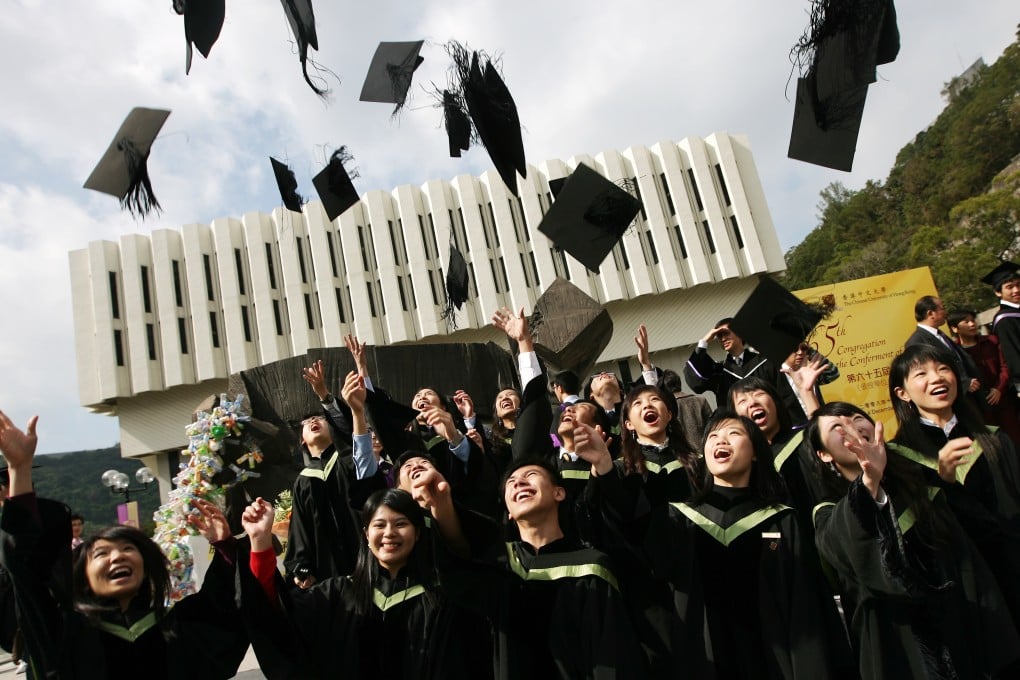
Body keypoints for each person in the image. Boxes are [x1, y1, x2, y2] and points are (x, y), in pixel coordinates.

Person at [588, 410, 854, 679]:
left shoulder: (781, 520)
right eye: (713, 436)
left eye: (734, 434)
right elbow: (632, 537)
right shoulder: (679, 520)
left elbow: (807, 607)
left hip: (776, 664)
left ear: (755, 453)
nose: (720, 441)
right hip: (705, 664)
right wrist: (605, 467)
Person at [0, 409, 250, 679]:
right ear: (82, 574)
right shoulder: (65, 632)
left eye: (128, 549)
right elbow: (29, 573)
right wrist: (19, 469)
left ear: (147, 564)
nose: (117, 556)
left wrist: (223, 545)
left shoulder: (177, 627)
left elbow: (223, 609)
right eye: (102, 553)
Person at [807, 401, 1020, 678]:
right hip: (902, 644)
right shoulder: (828, 512)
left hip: (961, 622)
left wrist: (946, 480)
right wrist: (869, 479)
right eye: (837, 426)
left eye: (857, 417)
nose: (851, 425)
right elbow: (850, 555)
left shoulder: (919, 480)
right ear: (824, 455)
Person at [241, 487, 486, 679]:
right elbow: (273, 611)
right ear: (367, 535)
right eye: (379, 525)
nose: (389, 533)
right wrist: (260, 540)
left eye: (401, 524)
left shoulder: (439, 599)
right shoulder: (336, 594)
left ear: (418, 533)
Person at [435, 457, 647, 678]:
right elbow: (457, 570)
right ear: (508, 511)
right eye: (512, 482)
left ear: (559, 493)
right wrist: (442, 506)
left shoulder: (591, 567)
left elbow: (612, 657)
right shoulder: (500, 566)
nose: (519, 483)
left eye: (531, 475)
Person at [888, 344, 1020, 626]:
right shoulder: (899, 458)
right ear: (902, 393)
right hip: (962, 586)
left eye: (943, 369)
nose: (936, 378)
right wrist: (942, 480)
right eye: (921, 373)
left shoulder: (994, 440)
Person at [948, 308, 1020, 443]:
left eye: (973, 320)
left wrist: (999, 388)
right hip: (980, 407)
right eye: (966, 322)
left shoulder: (991, 341)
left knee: (1015, 438)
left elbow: (1005, 367)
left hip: (1004, 400)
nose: (972, 324)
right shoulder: (954, 352)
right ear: (954, 328)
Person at [904, 296, 982, 400]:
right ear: (930, 314)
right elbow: (928, 372)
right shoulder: (917, 342)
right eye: (942, 308)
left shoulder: (940, 334)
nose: (946, 312)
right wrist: (964, 383)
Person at [684, 318, 773, 407]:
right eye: (719, 336)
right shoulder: (718, 371)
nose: (723, 339)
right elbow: (696, 383)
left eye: (726, 333)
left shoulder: (764, 362)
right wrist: (704, 342)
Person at [778, 341, 840, 427]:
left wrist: (810, 351)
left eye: (803, 348)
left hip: (820, 423)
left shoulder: (809, 370)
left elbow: (833, 374)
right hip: (796, 429)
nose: (800, 352)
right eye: (794, 349)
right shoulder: (775, 373)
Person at [984, 261, 1020, 397]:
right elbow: (1012, 354)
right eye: (1010, 287)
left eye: (1018, 285)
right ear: (998, 292)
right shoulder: (1005, 320)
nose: (1016, 290)